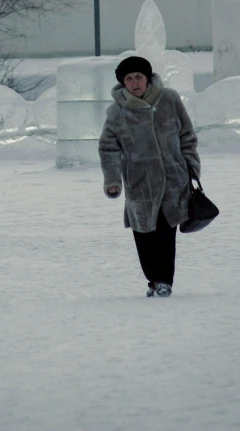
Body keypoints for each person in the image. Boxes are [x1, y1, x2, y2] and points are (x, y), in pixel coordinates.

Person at [98, 55, 201, 298]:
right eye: (129, 78)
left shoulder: (170, 99)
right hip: (139, 183)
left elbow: (187, 134)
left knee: (166, 234)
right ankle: (153, 280)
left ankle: (164, 280)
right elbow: (108, 148)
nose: (134, 82)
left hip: (172, 180)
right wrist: (112, 180)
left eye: (138, 77)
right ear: (123, 83)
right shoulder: (116, 112)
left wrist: (191, 166)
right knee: (144, 236)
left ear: (148, 78)